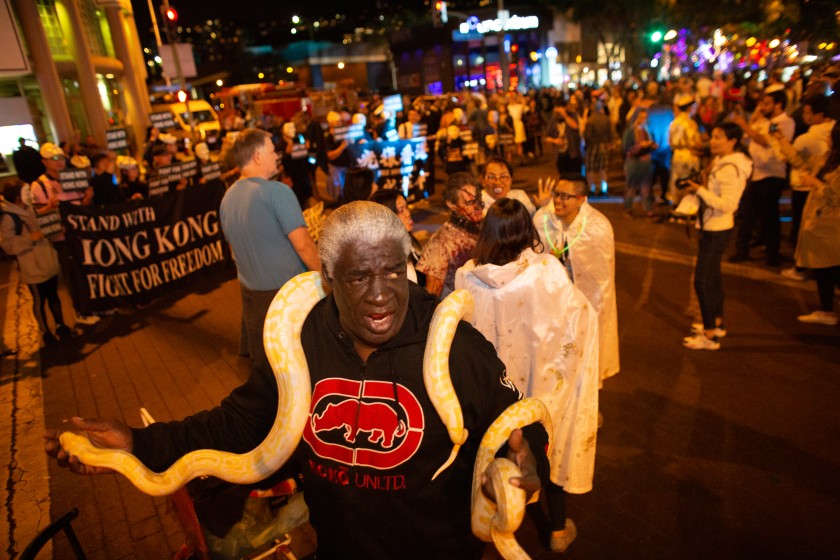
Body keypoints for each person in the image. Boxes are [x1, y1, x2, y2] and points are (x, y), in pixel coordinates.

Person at [44, 201, 549, 560]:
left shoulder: (456, 344)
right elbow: (238, 424)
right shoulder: (300, 342)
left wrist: (522, 462)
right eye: (358, 277)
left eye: (393, 272)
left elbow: (519, 425)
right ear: (327, 279)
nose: (380, 295)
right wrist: (135, 443)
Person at [455, 198, 599, 553]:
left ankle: (489, 526)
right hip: (537, 385)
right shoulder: (547, 271)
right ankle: (558, 527)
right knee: (548, 442)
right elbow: (578, 318)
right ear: (525, 230)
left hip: (492, 391)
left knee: (489, 458)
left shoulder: (466, 275)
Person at [219, 129, 321, 372]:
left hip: (253, 298)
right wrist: (327, 276)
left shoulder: (227, 198)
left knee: (271, 375)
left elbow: (234, 251)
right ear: (257, 156)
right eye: (272, 150)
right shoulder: (277, 192)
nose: (277, 155)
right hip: (289, 298)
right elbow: (304, 245)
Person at [534, 174, 619, 383]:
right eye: (557, 194)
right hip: (552, 304)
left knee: (583, 358)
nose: (558, 200)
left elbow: (601, 282)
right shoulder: (543, 219)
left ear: (581, 199)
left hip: (583, 304)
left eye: (565, 196)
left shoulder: (597, 227)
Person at [681, 123, 753, 350]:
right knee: (712, 279)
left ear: (733, 141)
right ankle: (717, 323)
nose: (713, 141)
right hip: (714, 227)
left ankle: (709, 335)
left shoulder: (730, 168)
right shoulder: (725, 162)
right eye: (712, 136)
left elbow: (729, 204)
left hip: (717, 229)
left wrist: (699, 191)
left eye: (719, 137)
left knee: (701, 281)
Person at [25, 142, 98, 326]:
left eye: (60, 158)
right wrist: (49, 207)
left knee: (88, 271)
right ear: (44, 162)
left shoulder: (73, 178)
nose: (59, 162)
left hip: (81, 233)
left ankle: (92, 304)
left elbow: (82, 206)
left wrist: (87, 199)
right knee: (73, 275)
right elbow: (36, 215)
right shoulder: (39, 185)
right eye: (53, 159)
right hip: (62, 238)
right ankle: (81, 310)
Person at [0, 181, 73, 345]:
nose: (31, 196)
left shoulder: (28, 209)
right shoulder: (8, 218)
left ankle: (61, 325)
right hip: (32, 265)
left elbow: (42, 226)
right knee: (40, 300)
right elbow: (7, 244)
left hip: (46, 259)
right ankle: (45, 332)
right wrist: (28, 239)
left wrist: (55, 229)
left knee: (53, 296)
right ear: (18, 197)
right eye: (26, 192)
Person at [773, 94, 836, 280]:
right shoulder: (829, 141)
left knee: (809, 236)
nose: (804, 116)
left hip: (815, 198)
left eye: (808, 112)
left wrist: (780, 141)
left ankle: (802, 268)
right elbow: (802, 160)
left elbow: (795, 159)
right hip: (820, 198)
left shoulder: (811, 137)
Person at [730, 90, 795, 267]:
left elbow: (766, 141)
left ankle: (772, 254)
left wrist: (745, 125)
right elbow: (746, 139)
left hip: (772, 175)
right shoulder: (761, 121)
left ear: (778, 105)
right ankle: (743, 250)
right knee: (748, 214)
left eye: (766, 104)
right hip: (756, 173)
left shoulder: (785, 122)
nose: (762, 107)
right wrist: (752, 121)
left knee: (770, 217)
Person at [792, 121, 840, 325]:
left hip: (832, 226)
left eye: (832, 135)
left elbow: (835, 197)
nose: (828, 138)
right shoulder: (829, 157)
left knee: (831, 269)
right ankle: (826, 310)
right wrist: (781, 143)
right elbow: (801, 160)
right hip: (820, 224)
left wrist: (815, 183)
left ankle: (827, 310)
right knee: (825, 269)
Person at [416, 172, 484, 298]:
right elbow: (432, 297)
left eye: (478, 200)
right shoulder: (441, 242)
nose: (478, 206)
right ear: (451, 205)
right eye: (469, 202)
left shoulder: (483, 226)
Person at [370, 189, 424, 286]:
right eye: (400, 211)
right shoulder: (385, 258)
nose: (408, 214)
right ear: (385, 217)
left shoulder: (408, 241)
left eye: (407, 208)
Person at [622, 108, 657, 218]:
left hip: (645, 161)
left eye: (644, 117)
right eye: (641, 117)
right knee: (631, 186)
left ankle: (648, 209)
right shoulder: (630, 131)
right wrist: (640, 146)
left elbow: (652, 142)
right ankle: (628, 208)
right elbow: (625, 148)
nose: (643, 119)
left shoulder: (647, 130)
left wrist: (652, 145)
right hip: (634, 162)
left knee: (646, 187)